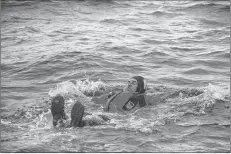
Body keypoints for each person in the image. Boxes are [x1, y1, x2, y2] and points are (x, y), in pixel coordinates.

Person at [51, 76, 164, 127]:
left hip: (118, 118)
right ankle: (61, 119)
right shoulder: (118, 93)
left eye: (133, 83)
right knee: (88, 115)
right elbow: (100, 99)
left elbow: (160, 102)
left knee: (95, 118)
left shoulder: (143, 97)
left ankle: (77, 123)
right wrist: (82, 94)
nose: (129, 84)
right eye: (128, 81)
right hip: (106, 113)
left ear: (140, 87)